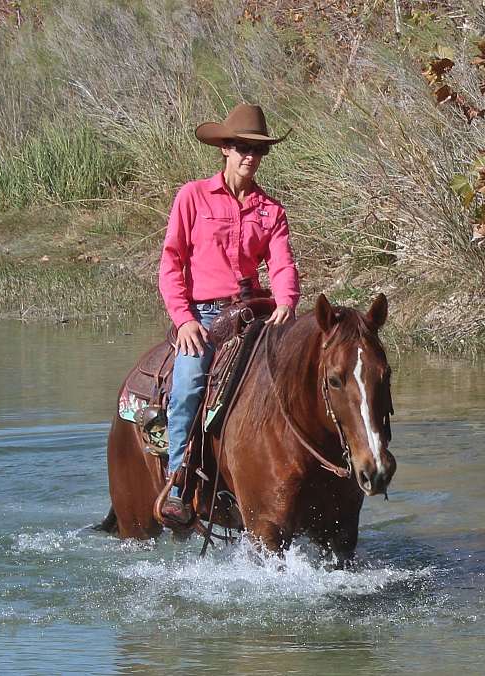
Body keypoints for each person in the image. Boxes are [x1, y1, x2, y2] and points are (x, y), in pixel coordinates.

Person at [158, 103, 300, 525]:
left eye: (257, 150)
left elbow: (281, 264)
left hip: (256, 310)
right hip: (203, 315)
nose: (249, 157)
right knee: (188, 387)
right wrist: (184, 320)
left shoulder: (271, 210)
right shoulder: (192, 196)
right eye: (241, 147)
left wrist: (287, 300)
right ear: (225, 149)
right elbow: (171, 263)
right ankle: (179, 481)